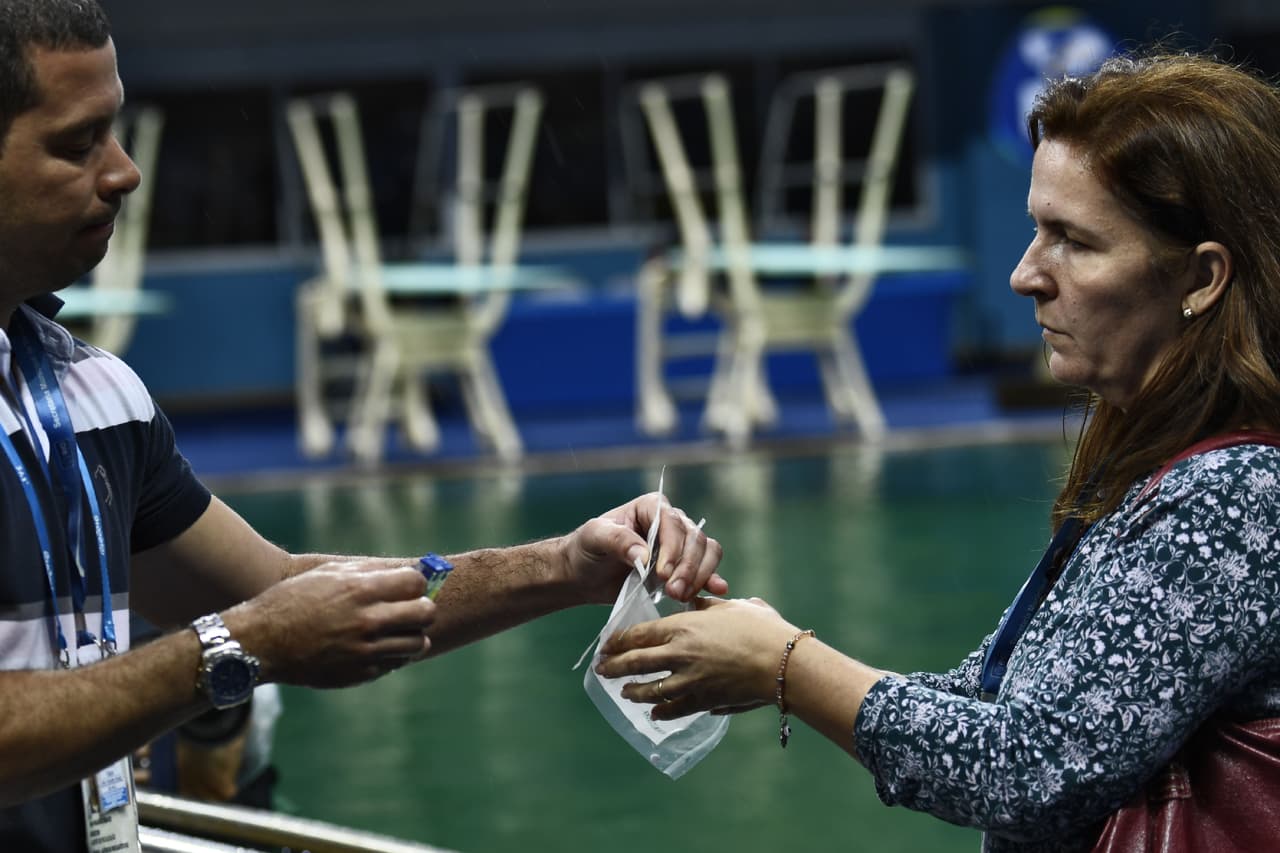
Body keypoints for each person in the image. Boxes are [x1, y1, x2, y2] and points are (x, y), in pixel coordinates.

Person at [0, 2, 726, 850]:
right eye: (78, 144)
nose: (124, 171)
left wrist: (562, 564)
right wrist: (237, 646)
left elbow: (280, 587)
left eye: (114, 132)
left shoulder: (96, 398)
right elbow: (259, 621)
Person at [598, 49, 1280, 852]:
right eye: (1036, 230)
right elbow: (994, 702)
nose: (1026, 274)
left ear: (1202, 277)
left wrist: (785, 663)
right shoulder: (1162, 469)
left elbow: (1030, 768)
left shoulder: (1237, 496)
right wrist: (763, 646)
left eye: (1073, 240)